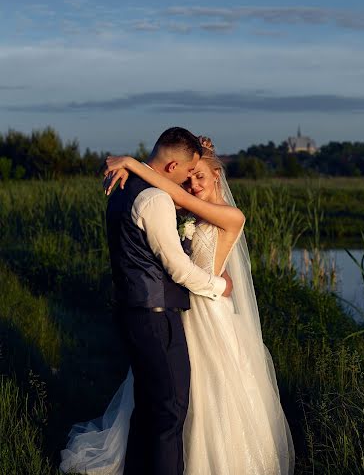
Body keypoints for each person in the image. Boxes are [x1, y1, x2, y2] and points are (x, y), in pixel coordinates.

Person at [61, 131, 295, 474]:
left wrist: (131, 163)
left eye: (199, 176)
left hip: (209, 310)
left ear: (218, 175)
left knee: (209, 396)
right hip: (183, 307)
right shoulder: (180, 203)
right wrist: (134, 167)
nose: (193, 184)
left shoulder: (231, 215)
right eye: (190, 176)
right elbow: (164, 189)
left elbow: (166, 188)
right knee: (174, 397)